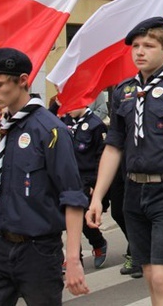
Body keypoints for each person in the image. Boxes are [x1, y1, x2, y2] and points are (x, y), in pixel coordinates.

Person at [86, 17, 163, 305]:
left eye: (149, 46)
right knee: (151, 276)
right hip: (134, 192)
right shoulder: (123, 92)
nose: (140, 51)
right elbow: (114, 146)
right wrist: (97, 197)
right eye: (136, 46)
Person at [0, 48, 90, 304]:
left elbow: (73, 196)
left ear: (21, 80)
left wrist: (73, 259)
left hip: (39, 251)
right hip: (1, 246)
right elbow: (14, 188)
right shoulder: (5, 127)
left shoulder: (49, 129)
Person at [60, 106, 108, 269]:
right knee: (66, 218)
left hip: (86, 178)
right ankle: (75, 256)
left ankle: (98, 243)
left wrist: (96, 183)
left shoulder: (95, 124)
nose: (68, 110)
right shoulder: (64, 121)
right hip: (67, 177)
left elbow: (101, 156)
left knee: (81, 217)